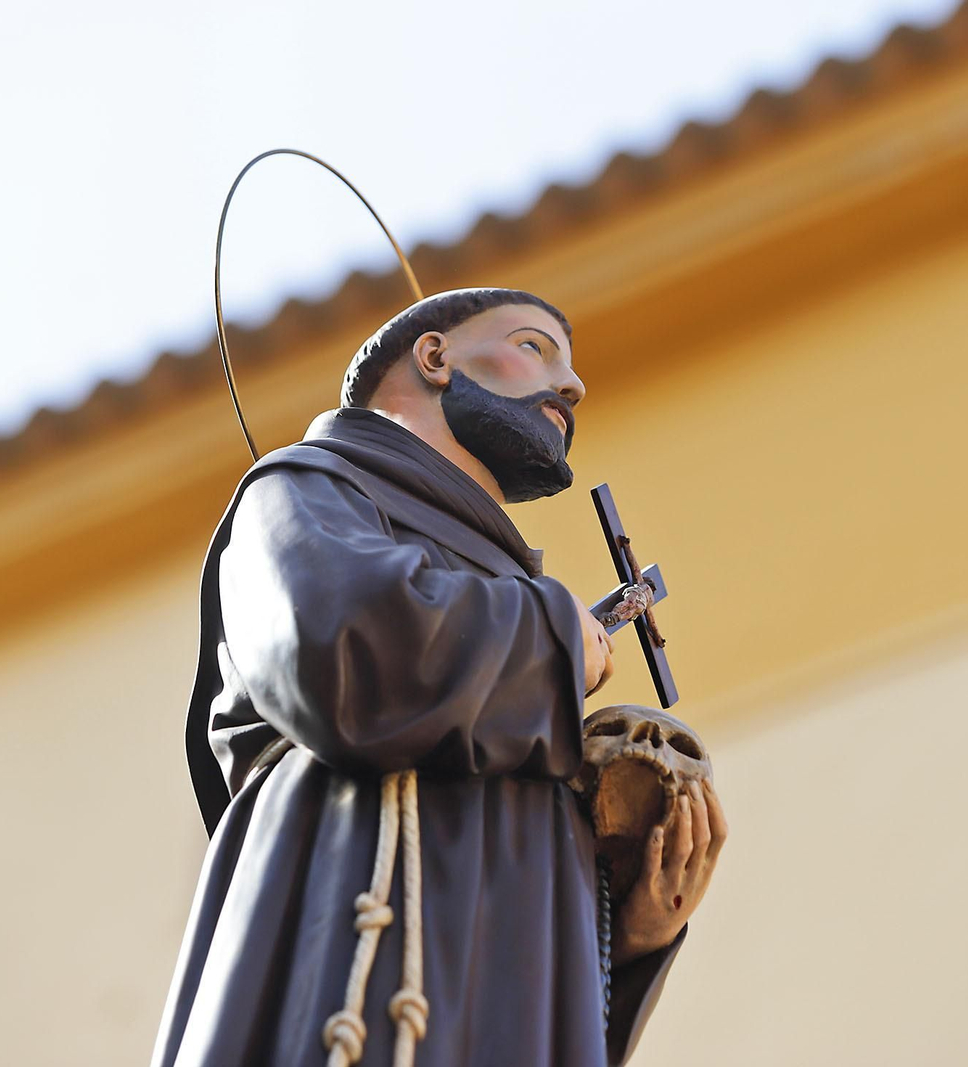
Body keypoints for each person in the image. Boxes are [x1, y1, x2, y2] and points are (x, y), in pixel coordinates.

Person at [152, 288, 725, 1067]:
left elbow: (529, 1001)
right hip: (346, 978)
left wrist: (628, 935)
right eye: (535, 347)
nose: (573, 383)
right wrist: (547, 639)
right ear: (435, 357)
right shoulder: (304, 491)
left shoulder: (510, 645)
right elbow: (341, 649)